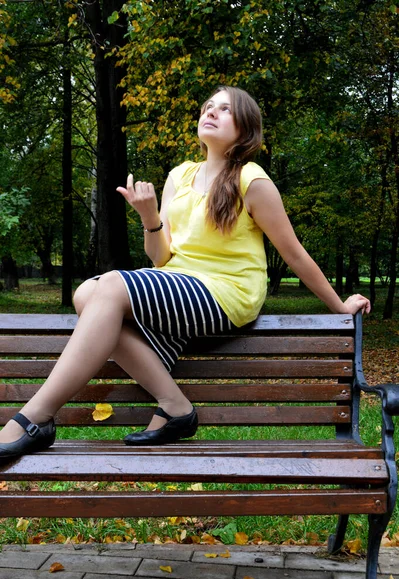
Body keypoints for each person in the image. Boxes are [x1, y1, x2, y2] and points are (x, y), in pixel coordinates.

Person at [0, 86, 370, 461]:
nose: (211, 112)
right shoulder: (180, 175)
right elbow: (161, 259)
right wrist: (149, 217)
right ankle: (175, 406)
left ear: (245, 130)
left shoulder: (251, 181)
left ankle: (35, 417)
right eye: (208, 106)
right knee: (85, 294)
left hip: (228, 291)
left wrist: (339, 305)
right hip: (180, 282)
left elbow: (294, 254)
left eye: (225, 109)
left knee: (109, 285)